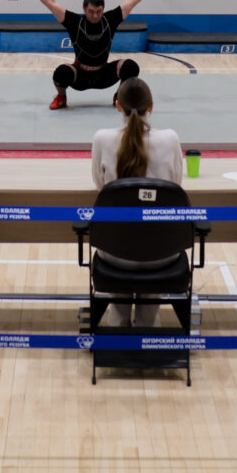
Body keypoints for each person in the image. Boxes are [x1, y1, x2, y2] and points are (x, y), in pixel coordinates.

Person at [88, 77, 184, 327]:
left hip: (114, 252)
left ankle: (118, 323)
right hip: (163, 252)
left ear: (117, 105)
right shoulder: (171, 139)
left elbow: (101, 189)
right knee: (150, 243)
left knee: (124, 243)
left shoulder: (101, 139)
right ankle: (147, 325)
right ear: (151, 106)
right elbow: (175, 187)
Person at [31, 0, 152, 110]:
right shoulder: (74, 22)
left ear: (103, 9)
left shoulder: (110, 19)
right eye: (91, 12)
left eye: (99, 11)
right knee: (61, 73)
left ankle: (120, 96)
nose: (95, 15)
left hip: (104, 74)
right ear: (84, 9)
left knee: (131, 66)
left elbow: (132, 1)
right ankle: (61, 97)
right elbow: (50, 3)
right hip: (80, 75)